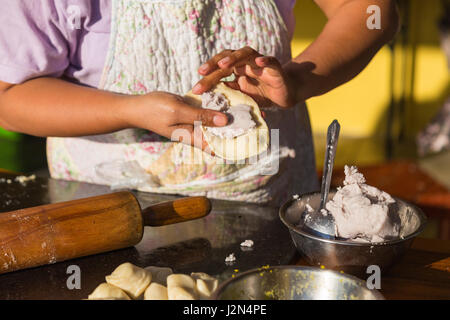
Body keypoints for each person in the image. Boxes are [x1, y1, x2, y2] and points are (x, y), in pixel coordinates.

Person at [0, 0, 399, 205]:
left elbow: (371, 11)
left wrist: (296, 80)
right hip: (106, 213)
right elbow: (9, 97)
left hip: (268, 208)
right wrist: (130, 111)